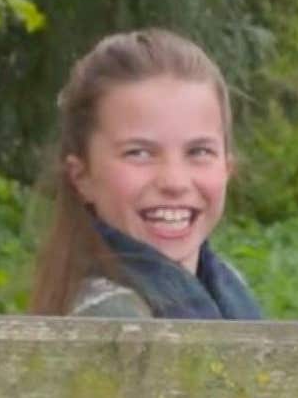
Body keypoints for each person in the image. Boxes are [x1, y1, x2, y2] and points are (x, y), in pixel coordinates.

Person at [30, 28, 262, 319]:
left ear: (227, 167)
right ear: (81, 176)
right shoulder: (112, 318)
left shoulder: (227, 287)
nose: (174, 182)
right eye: (139, 153)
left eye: (199, 152)